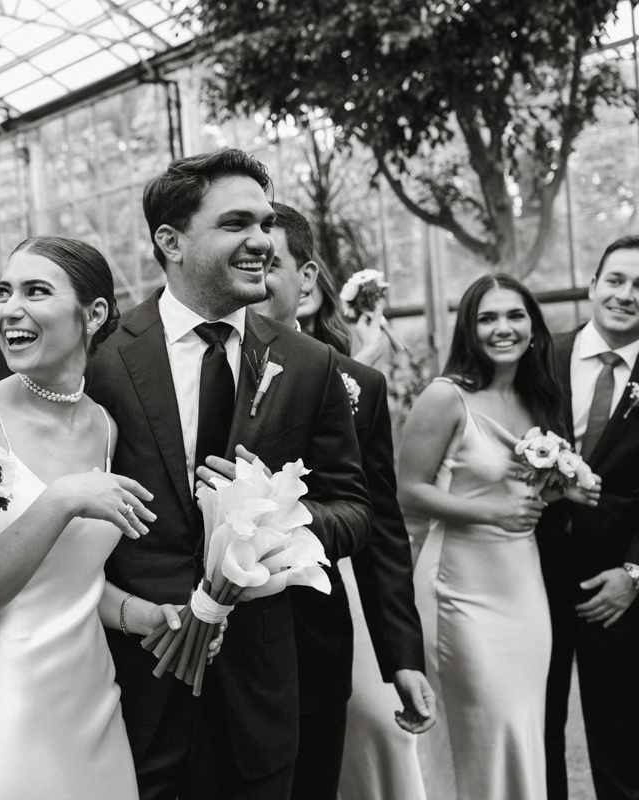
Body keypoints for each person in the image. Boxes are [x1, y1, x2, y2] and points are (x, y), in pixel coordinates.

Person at [87, 149, 372, 800]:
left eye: (267, 224)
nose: (263, 242)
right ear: (171, 241)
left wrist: (272, 516)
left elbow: (353, 511)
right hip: (138, 684)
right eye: (238, 223)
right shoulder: (103, 362)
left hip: (260, 685)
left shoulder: (309, 364)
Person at [0, 236, 226, 800]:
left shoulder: (104, 427)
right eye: (3, 292)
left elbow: (75, 584)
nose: (8, 309)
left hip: (94, 702)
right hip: (11, 707)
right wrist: (60, 499)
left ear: (92, 314)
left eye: (35, 291)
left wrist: (149, 616)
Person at [250, 201, 432, 800]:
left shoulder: (360, 385)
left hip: (311, 636)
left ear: (306, 281)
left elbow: (377, 525)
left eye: (267, 261)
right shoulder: (188, 368)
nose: (250, 274)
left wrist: (401, 655)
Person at [398, 274, 599, 800]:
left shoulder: (539, 398)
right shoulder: (446, 398)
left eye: (514, 316)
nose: (502, 328)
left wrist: (564, 492)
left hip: (523, 589)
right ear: (469, 328)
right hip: (460, 589)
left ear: (533, 327)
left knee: (522, 723)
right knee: (482, 726)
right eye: (487, 318)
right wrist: (489, 513)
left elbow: (522, 494)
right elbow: (408, 493)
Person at [538, 235, 639, 800]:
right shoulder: (537, 358)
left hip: (618, 588)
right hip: (531, 577)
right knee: (538, 730)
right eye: (617, 280)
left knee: (622, 742)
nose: (627, 295)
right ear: (594, 285)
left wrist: (634, 573)